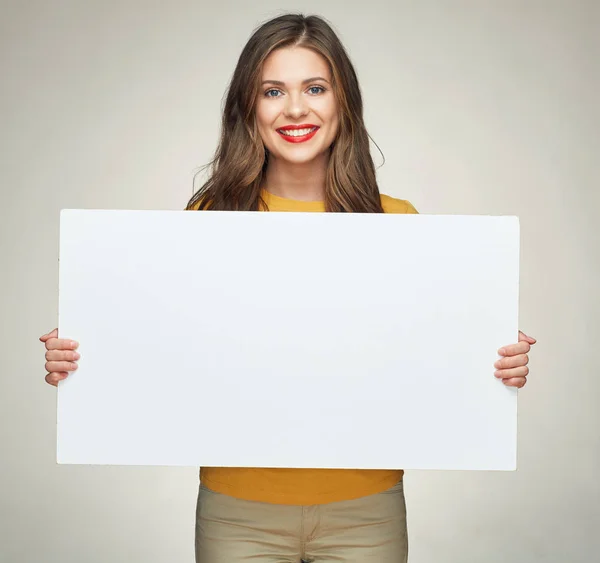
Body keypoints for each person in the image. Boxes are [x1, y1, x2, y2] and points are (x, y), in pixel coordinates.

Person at [40, 13, 537, 563]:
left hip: (366, 509)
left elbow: (433, 359)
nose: (295, 109)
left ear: (342, 101)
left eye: (315, 88)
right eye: (272, 90)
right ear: (247, 108)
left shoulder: (400, 223)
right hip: (238, 510)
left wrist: (494, 361)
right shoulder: (205, 219)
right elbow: (168, 349)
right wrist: (88, 354)